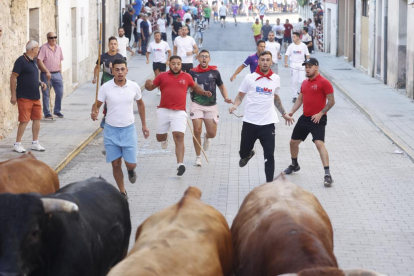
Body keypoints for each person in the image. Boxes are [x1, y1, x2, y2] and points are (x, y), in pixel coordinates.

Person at [229, 51, 294, 183]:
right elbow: (240, 95)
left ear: (271, 62)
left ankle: (269, 184)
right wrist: (235, 105)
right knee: (243, 153)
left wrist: (284, 114)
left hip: (268, 124)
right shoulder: (249, 78)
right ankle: (248, 155)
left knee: (269, 155)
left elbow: (275, 97)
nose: (265, 62)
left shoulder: (276, 79)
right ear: (258, 62)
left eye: (267, 60)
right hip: (250, 123)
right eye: (262, 60)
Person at [91, 59, 149, 200]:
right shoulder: (106, 87)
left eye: (122, 69)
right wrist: (94, 111)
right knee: (116, 164)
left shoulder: (134, 86)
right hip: (111, 130)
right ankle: (122, 192)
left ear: (127, 70)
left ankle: (131, 170)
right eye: (117, 69)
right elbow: (97, 104)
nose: (120, 72)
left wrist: (144, 125)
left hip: (128, 130)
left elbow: (141, 105)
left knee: (131, 163)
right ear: (112, 71)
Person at [144, 56, 212, 176]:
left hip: (180, 112)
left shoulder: (186, 77)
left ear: (181, 65)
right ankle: (164, 139)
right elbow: (151, 87)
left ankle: (180, 164)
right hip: (163, 111)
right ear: (169, 64)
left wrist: (204, 92)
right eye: (173, 63)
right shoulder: (162, 76)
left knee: (179, 137)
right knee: (159, 137)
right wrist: (147, 85)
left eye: (178, 64)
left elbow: (195, 87)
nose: (176, 66)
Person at [283, 58, 335, 187]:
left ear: (316, 67)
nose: (307, 69)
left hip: (318, 118)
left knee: (319, 144)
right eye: (306, 67)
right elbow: (300, 99)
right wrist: (292, 112)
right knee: (293, 143)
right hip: (305, 117)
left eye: (310, 66)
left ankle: (327, 174)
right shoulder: (305, 83)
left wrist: (321, 113)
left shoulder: (324, 82)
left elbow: (331, 101)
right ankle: (294, 164)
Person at [188, 49, 233, 166]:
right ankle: (198, 157)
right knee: (196, 130)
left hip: (211, 106)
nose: (204, 58)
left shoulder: (215, 72)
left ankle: (207, 137)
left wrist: (226, 97)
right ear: (198, 58)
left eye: (206, 56)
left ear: (209, 59)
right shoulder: (192, 72)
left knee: (212, 133)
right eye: (202, 56)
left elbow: (221, 87)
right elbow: (186, 87)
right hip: (196, 104)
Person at [10, 41, 47, 153]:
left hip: (35, 96)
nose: (39, 50)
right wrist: (13, 95)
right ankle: (17, 144)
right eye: (38, 48)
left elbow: (31, 77)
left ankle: (35, 143)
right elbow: (13, 78)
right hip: (24, 96)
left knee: (37, 119)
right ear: (32, 49)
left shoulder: (34, 62)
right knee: (24, 120)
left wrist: (40, 82)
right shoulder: (21, 61)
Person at [37, 32, 65, 119]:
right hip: (46, 75)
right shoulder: (43, 48)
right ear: (47, 39)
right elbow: (39, 61)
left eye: (55, 37)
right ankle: (47, 113)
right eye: (51, 38)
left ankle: (57, 110)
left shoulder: (59, 48)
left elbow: (59, 60)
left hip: (57, 74)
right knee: (46, 94)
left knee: (60, 93)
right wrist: (46, 71)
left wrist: (60, 72)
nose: (53, 39)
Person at [284, 31, 310, 103]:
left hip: (302, 64)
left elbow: (307, 55)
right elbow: (286, 55)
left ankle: (299, 91)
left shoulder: (303, 46)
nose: (293, 38)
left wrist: (308, 63)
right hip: (293, 64)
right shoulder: (291, 46)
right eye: (292, 37)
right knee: (294, 81)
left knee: (303, 80)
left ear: (298, 37)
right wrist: (286, 63)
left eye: (294, 37)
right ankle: (295, 96)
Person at [146, 31, 172, 95]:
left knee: (163, 77)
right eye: (156, 36)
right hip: (155, 62)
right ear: (154, 37)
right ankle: (159, 90)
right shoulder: (152, 44)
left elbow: (169, 52)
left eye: (158, 36)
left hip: (163, 62)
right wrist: (148, 59)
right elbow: (147, 52)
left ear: (160, 36)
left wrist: (168, 60)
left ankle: (163, 88)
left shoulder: (164, 44)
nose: (157, 37)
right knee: (157, 77)